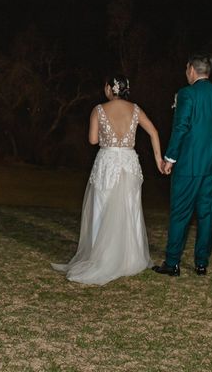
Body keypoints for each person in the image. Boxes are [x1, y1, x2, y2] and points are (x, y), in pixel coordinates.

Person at [52, 75, 164, 285]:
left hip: (108, 161)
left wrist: (106, 137)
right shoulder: (136, 109)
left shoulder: (99, 109)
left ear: (109, 88)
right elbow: (153, 132)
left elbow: (93, 140)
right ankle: (131, 258)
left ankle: (101, 257)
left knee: (102, 208)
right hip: (129, 161)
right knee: (130, 207)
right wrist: (158, 160)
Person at [153, 54, 212, 277]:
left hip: (189, 165)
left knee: (180, 213)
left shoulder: (187, 94)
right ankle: (201, 264)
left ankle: (172, 263)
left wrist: (170, 158)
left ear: (191, 70)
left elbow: (181, 127)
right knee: (207, 214)